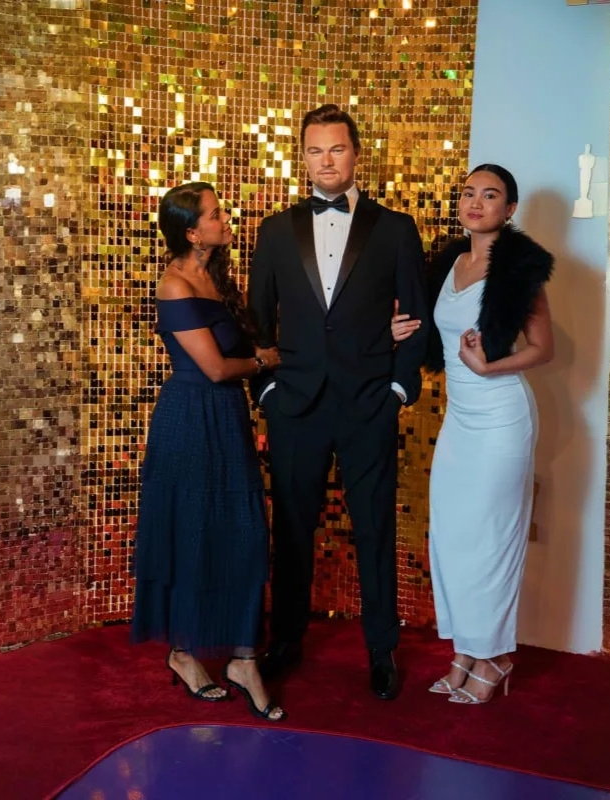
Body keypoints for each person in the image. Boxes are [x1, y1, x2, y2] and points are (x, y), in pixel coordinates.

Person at [248, 104, 429, 700]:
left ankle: (381, 648)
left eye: (337, 149)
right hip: (295, 405)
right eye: (315, 150)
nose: (326, 161)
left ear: (356, 153)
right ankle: (286, 640)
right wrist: (266, 391)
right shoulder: (275, 230)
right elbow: (257, 322)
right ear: (303, 158)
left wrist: (398, 390)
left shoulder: (396, 228)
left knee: (375, 527)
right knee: (291, 529)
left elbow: (416, 318)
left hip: (368, 403)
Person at [392, 164, 554, 704]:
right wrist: (395, 329)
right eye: (468, 193)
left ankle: (496, 656)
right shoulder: (446, 263)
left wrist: (489, 367)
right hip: (459, 419)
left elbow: (544, 348)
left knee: (492, 539)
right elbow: (427, 330)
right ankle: (466, 648)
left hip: (502, 416)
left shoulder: (518, 270)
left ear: (510, 209)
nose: (476, 203)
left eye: (490, 195)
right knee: (453, 535)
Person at [131, 181, 286, 722]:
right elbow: (217, 368)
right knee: (192, 531)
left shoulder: (218, 279)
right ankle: (184, 653)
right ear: (193, 233)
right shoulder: (174, 285)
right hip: (190, 420)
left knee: (244, 534)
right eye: (215, 214)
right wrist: (265, 362)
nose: (225, 219)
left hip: (227, 418)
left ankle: (243, 659)